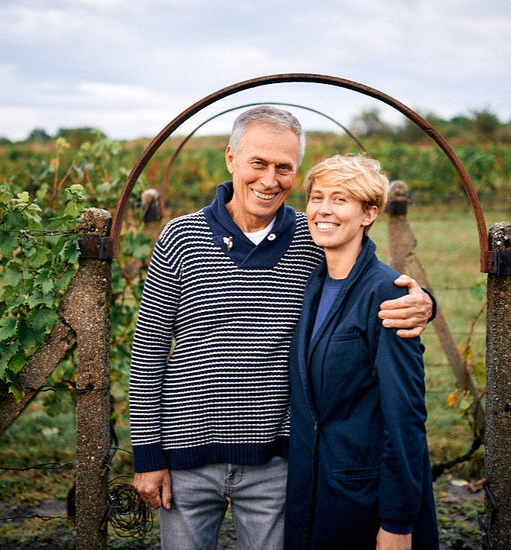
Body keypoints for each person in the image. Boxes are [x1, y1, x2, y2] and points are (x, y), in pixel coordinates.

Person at [129, 106, 435, 550]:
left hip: (277, 465)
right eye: (258, 163)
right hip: (184, 462)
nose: (270, 179)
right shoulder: (180, 237)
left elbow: (364, 280)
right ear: (231, 158)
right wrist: (147, 455)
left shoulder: (311, 239)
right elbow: (149, 349)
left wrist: (425, 302)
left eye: (284, 167)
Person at [284, 154, 438, 550]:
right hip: (313, 491)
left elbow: (405, 415)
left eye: (340, 199)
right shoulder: (313, 284)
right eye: (317, 197)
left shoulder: (387, 293)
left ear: (369, 213)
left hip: (365, 497)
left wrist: (398, 521)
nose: (323, 210)